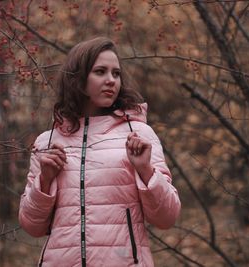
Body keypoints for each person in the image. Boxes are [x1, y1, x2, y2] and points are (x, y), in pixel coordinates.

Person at [19, 37, 181, 267]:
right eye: (100, 71)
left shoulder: (138, 133)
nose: (111, 80)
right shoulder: (48, 141)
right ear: (78, 78)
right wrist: (45, 180)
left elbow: (167, 217)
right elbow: (31, 226)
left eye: (116, 73)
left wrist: (145, 170)